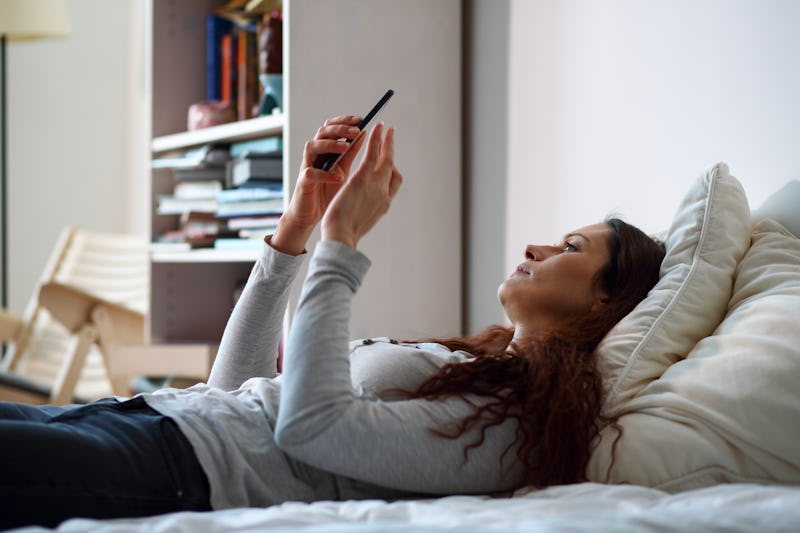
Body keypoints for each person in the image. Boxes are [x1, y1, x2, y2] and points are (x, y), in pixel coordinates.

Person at [0, 117, 666, 530]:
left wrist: (342, 245)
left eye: (571, 249)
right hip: (146, 418)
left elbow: (311, 424)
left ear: (607, 301)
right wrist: (297, 228)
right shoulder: (473, 367)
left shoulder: (520, 428)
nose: (536, 249)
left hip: (165, 467)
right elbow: (235, 393)